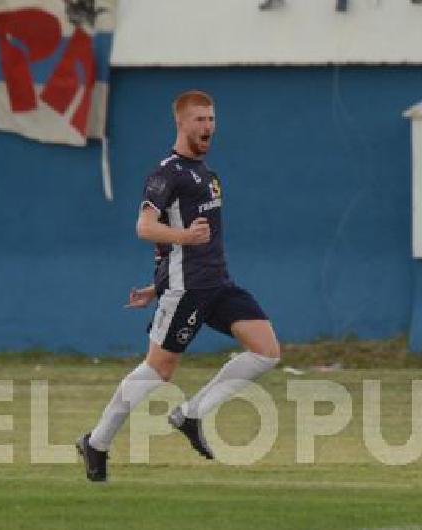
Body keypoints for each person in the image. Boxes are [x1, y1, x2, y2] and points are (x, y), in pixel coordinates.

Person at [76, 90, 281, 482]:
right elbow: (144, 227)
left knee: (267, 350)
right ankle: (97, 442)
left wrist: (156, 284)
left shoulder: (208, 175)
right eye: (199, 120)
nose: (207, 127)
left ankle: (190, 414)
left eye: (211, 119)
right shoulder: (166, 173)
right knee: (159, 370)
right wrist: (183, 240)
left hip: (218, 284)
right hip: (186, 290)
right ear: (181, 123)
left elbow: (188, 244)